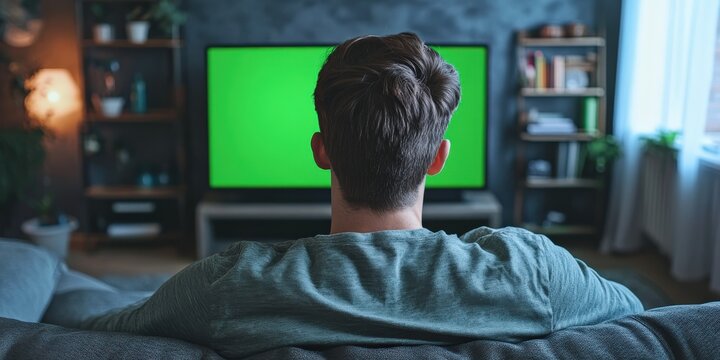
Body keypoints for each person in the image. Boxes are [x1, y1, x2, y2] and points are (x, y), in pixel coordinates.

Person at [80, 32, 643, 358]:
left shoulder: (226, 287)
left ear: (320, 150)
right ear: (438, 158)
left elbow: (104, 334)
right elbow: (636, 316)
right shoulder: (533, 272)